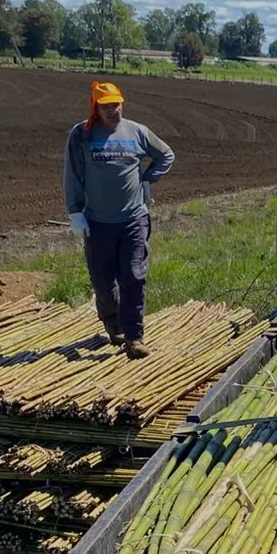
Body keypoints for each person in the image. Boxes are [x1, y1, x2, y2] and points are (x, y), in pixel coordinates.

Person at [63, 81, 174, 358]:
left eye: (117, 104)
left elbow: (166, 154)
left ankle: (134, 336)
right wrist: (75, 211)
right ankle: (113, 326)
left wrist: (148, 179)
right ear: (95, 107)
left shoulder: (137, 131)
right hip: (98, 223)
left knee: (134, 276)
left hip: (133, 219)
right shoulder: (82, 135)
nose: (114, 110)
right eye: (107, 106)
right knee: (103, 281)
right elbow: (72, 173)